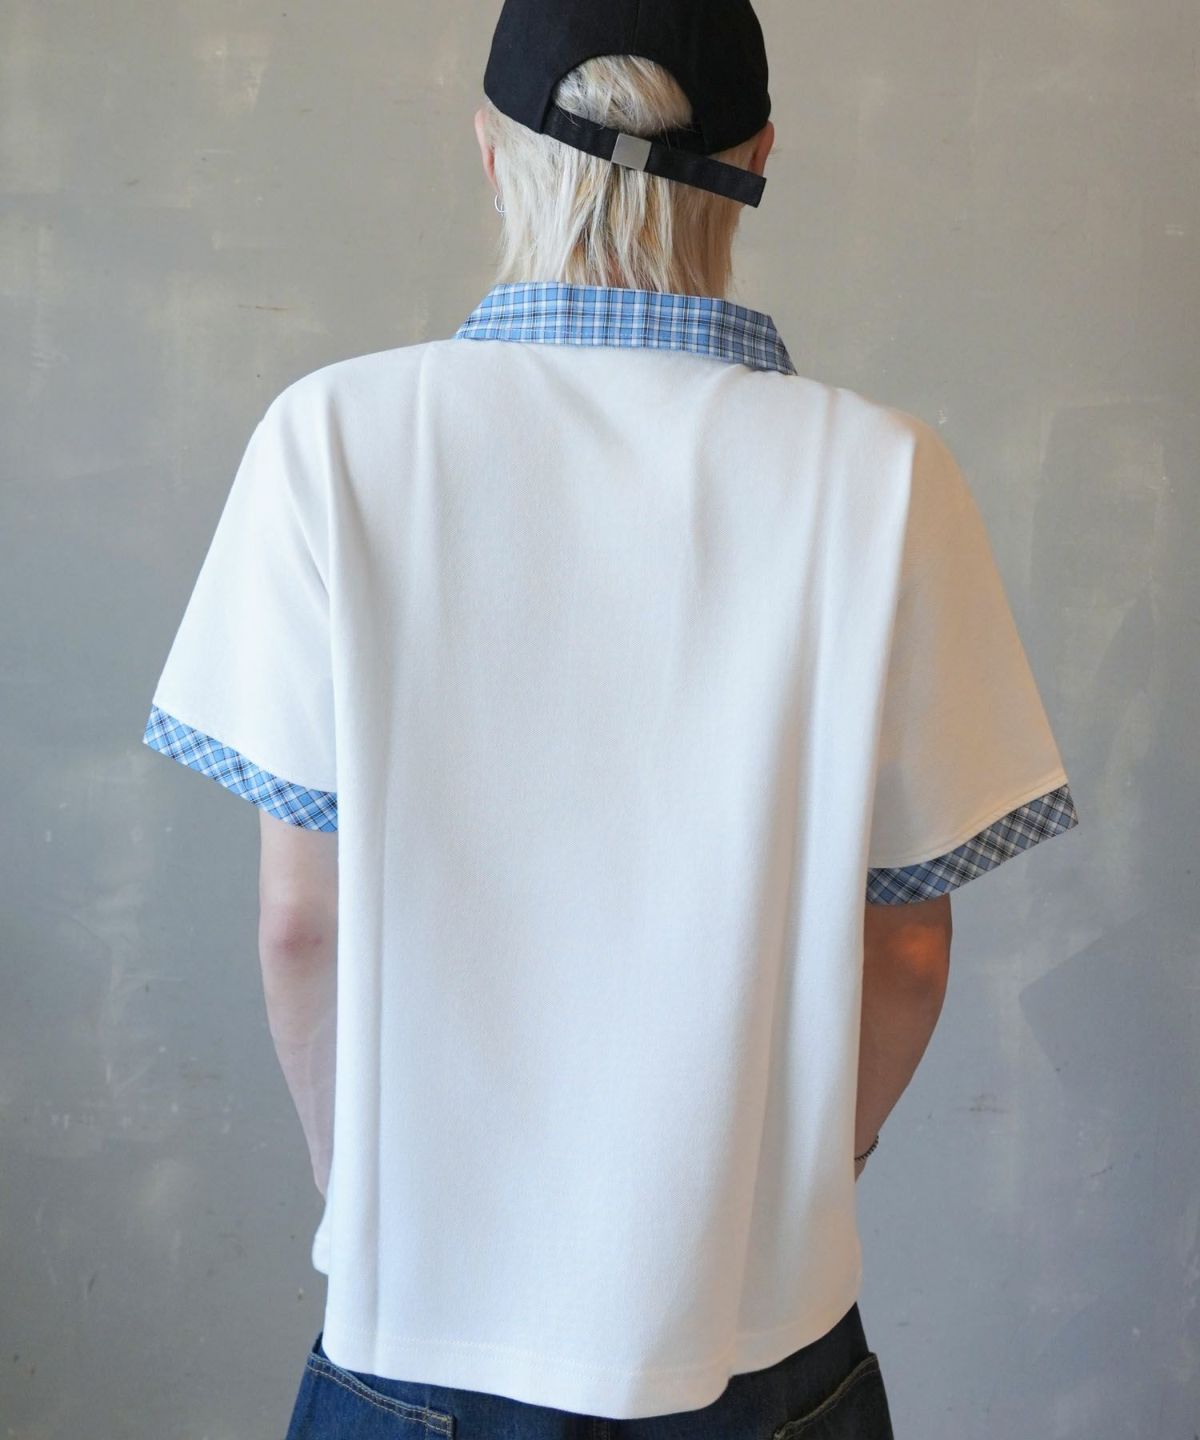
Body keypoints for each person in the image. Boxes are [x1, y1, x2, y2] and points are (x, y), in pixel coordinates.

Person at [140, 1, 1081, 1436]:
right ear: (759, 159)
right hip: (765, 1339)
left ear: (490, 151)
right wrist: (790, 1197)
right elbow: (906, 949)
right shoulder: (886, 477)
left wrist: (369, 1192)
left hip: (420, 1325)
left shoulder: (331, 440)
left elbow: (300, 927)